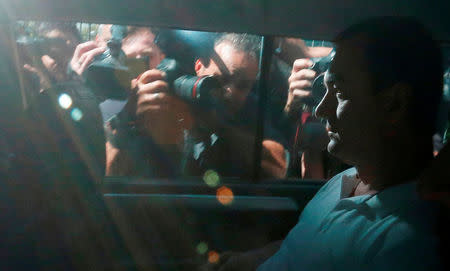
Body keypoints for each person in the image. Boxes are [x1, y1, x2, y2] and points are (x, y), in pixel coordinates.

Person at [206, 16, 446, 271]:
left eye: (340, 93)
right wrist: (247, 261)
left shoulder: (405, 247)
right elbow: (305, 247)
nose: (321, 110)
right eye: (325, 89)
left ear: (395, 103)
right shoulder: (347, 181)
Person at [105, 33, 287, 178]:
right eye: (220, 79)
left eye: (242, 85)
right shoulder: (166, 95)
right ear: (199, 66)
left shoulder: (248, 108)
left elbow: (278, 168)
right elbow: (112, 176)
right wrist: (129, 120)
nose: (229, 92)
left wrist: (217, 126)